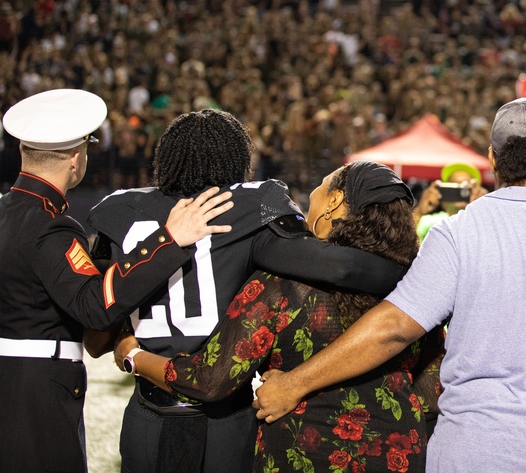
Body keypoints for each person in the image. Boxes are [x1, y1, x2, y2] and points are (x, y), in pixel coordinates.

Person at [253, 98, 526, 471]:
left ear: (491, 160)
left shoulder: (458, 233)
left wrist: (294, 384)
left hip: (474, 455)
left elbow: (392, 328)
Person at [87, 110, 410, 473]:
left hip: (147, 413)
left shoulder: (117, 210)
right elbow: (341, 267)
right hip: (224, 420)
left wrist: (132, 340)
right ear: (238, 161)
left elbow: (96, 339)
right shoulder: (252, 204)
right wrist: (411, 271)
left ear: (166, 159)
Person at [0, 89, 234, 473]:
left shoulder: (6, 210)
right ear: (76, 159)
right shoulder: (51, 226)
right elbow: (94, 305)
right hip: (37, 392)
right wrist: (167, 240)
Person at [411, 161, 488, 241]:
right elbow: (403, 239)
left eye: (465, 188)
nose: (459, 192)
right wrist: (419, 211)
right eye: (454, 186)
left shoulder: (482, 222)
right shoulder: (432, 223)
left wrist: (486, 207)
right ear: (443, 192)